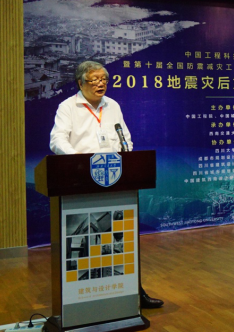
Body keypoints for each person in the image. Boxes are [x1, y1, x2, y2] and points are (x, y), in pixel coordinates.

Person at [50, 60, 164, 309]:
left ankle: (133, 291)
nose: (100, 84)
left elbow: (125, 138)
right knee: (87, 238)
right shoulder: (67, 107)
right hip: (82, 181)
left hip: (115, 179)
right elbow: (57, 140)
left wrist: (127, 158)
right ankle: (82, 298)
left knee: (120, 238)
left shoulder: (112, 106)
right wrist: (78, 162)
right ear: (81, 83)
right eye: (94, 80)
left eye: (103, 79)